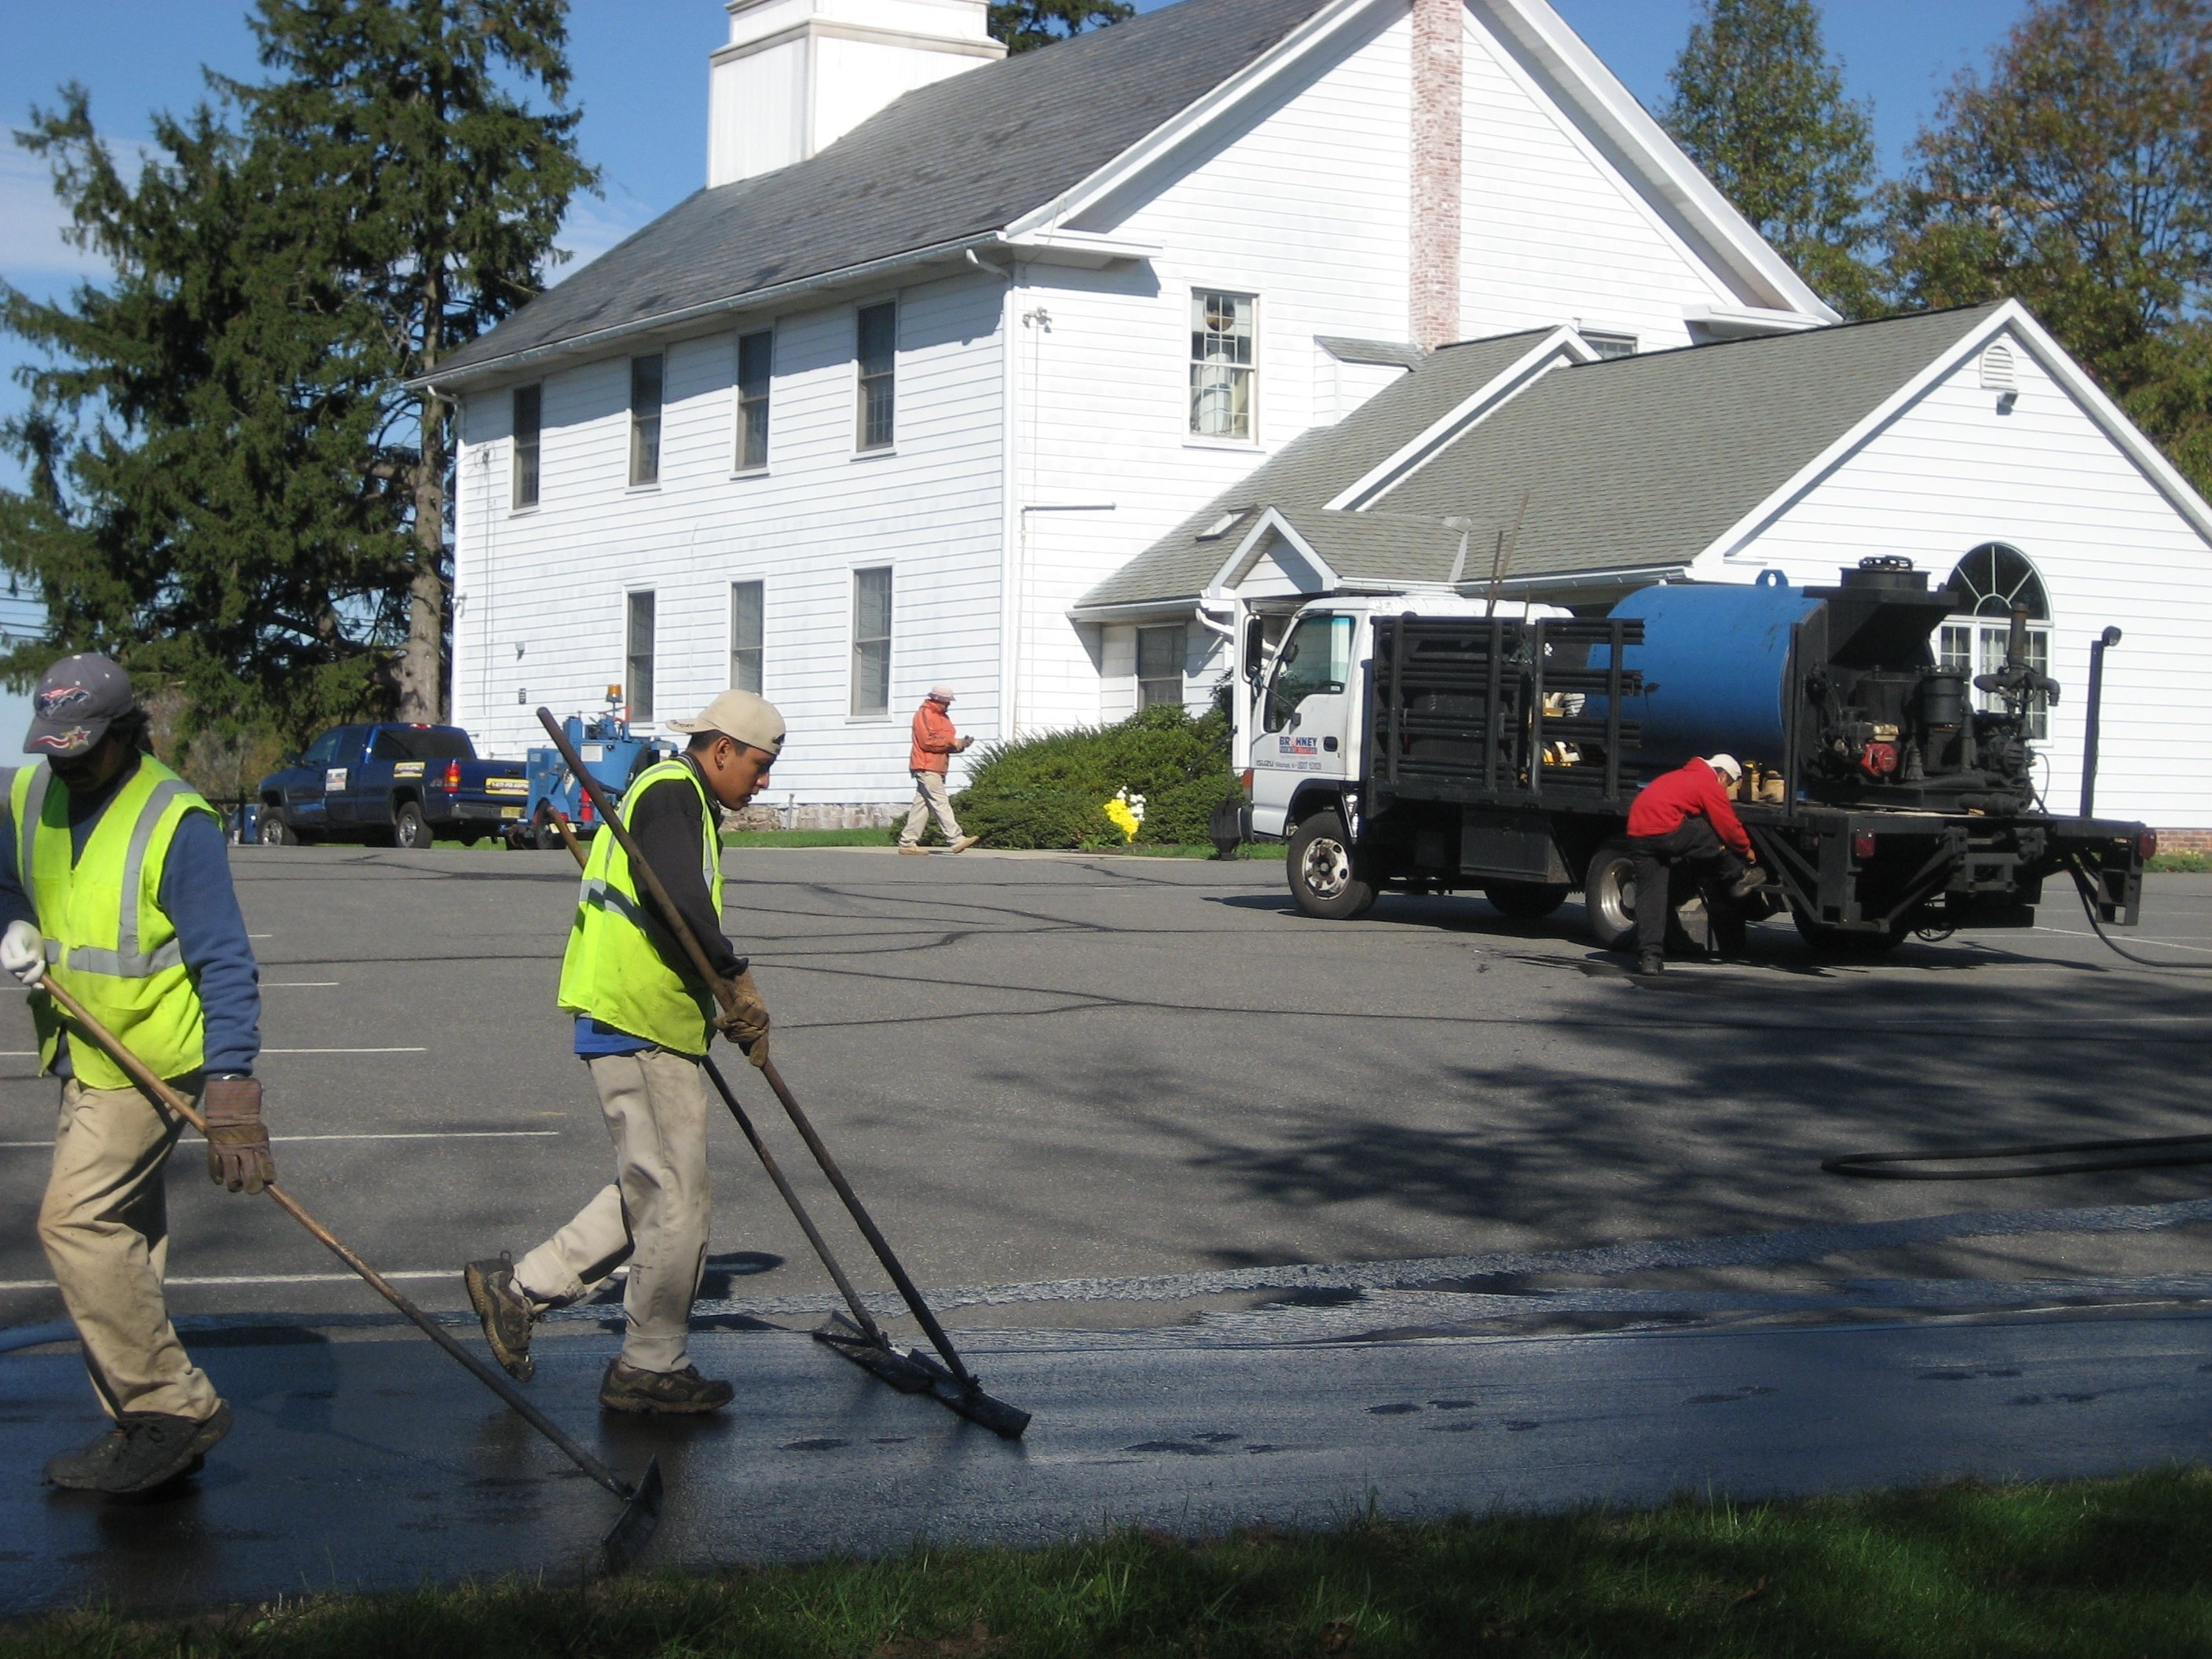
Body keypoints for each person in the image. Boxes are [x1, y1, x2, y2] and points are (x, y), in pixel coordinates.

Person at [464, 689, 782, 1413]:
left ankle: (518, 1291)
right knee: (676, 1195)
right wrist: (732, 979)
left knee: (653, 1185)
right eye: (759, 765)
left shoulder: (672, 797)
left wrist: (722, 993)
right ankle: (650, 1365)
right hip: (639, 1020)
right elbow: (674, 897)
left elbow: (665, 901)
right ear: (723, 749)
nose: (762, 781)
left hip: (640, 1017)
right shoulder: (674, 794)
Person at [0, 654, 269, 1493]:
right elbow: (6, 879)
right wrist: (12, 925)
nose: (68, 766)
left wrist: (231, 1083)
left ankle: (172, 1408)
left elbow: (224, 959)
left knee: (74, 1226)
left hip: (151, 1061)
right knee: (127, 1244)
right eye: (56, 750)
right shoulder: (30, 791)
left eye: (85, 750)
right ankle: (145, 1428)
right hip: (81, 1051)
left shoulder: (174, 819)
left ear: (126, 733)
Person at [1625, 752, 1767, 976]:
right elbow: (1727, 823)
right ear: (1721, 775)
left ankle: (1649, 957)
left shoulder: (1682, 776)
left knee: (1651, 895)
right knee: (1714, 832)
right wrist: (1745, 849)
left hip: (1638, 832)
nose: (1725, 790)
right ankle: (1738, 876)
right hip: (1664, 829)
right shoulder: (1706, 780)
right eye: (1728, 784)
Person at [897, 686, 979, 855]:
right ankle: (956, 839)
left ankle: (907, 842)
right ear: (938, 700)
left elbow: (945, 743)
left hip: (937, 766)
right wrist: (952, 743)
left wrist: (960, 744)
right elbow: (927, 741)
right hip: (926, 766)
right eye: (947, 702)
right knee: (941, 802)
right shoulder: (924, 714)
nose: (949, 705)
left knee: (923, 806)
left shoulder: (943, 717)